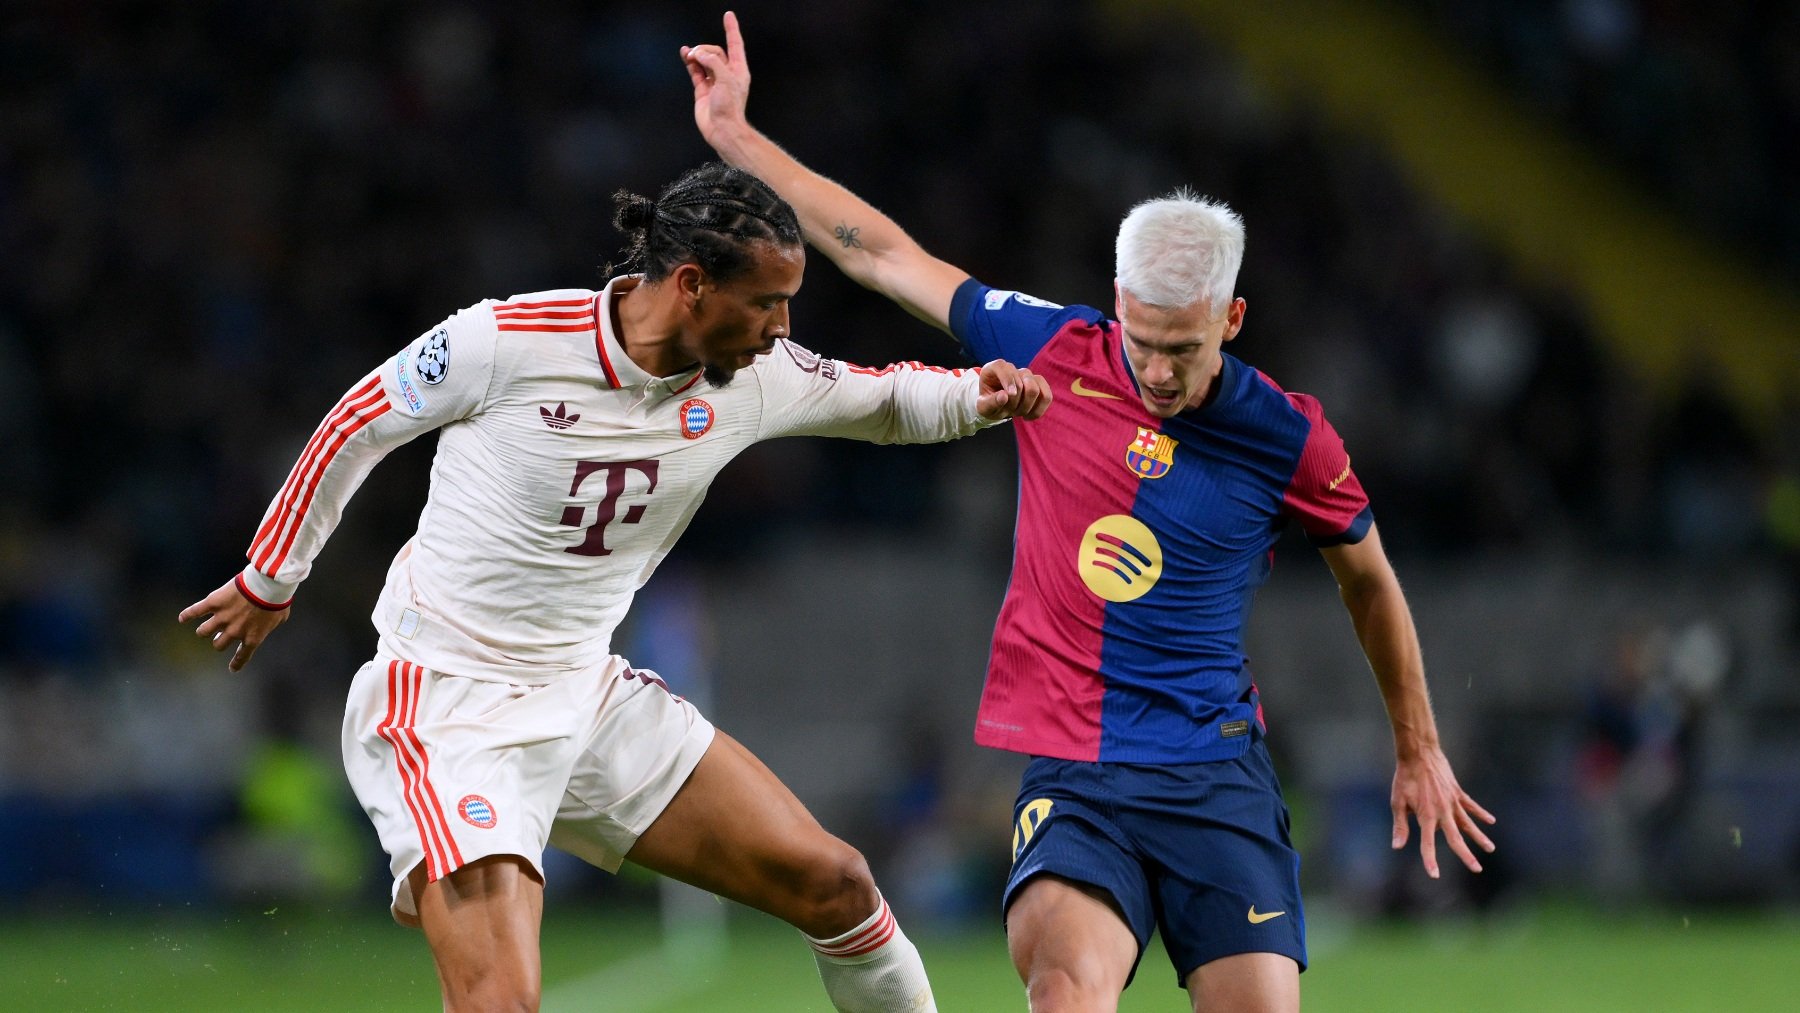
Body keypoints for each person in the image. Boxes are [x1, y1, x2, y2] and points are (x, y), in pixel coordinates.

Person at [684, 13, 1496, 1012]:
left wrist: (1416, 742)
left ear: (1231, 319)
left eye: (1183, 349)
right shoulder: (1057, 348)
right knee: (1067, 988)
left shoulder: (1290, 436)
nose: (1155, 369)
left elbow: (1368, 577)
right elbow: (884, 253)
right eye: (1141, 338)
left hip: (1216, 773)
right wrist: (737, 140)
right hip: (1079, 774)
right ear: (1116, 299)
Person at [178, 160, 1051, 1013]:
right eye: (766, 300)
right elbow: (358, 423)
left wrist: (980, 395)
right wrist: (270, 576)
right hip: (447, 702)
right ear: (690, 284)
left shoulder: (755, 378)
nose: (783, 326)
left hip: (587, 696)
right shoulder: (507, 340)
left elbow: (884, 401)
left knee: (837, 883)